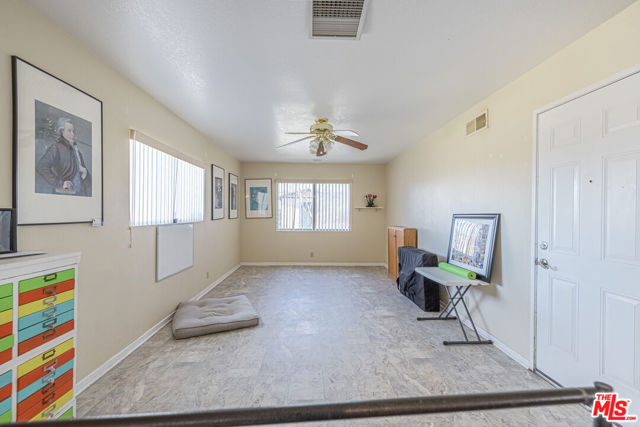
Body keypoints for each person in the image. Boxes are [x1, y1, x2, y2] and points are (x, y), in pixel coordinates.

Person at [36, 117, 91, 196]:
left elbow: (88, 183)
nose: (72, 134)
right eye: (69, 131)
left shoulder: (77, 152)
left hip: (81, 194)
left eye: (73, 131)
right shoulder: (56, 148)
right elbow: (41, 166)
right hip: (65, 194)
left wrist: (85, 173)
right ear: (62, 132)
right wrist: (60, 183)